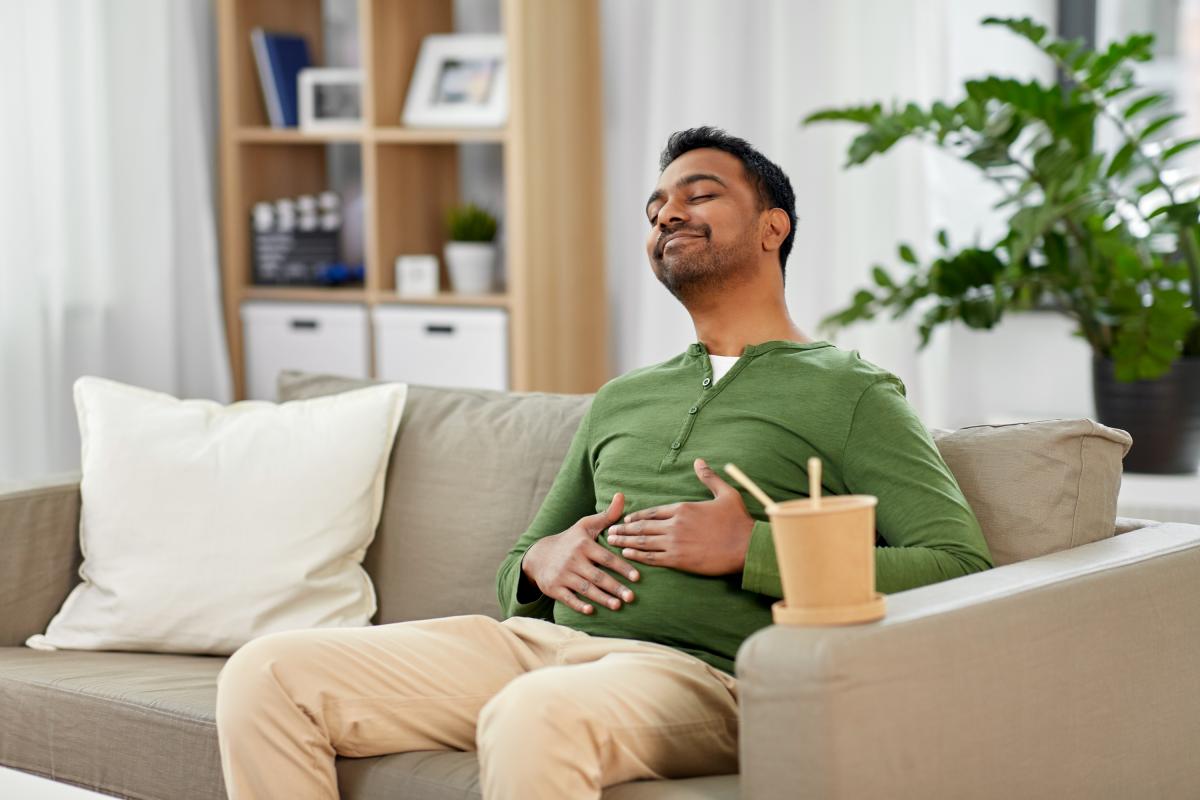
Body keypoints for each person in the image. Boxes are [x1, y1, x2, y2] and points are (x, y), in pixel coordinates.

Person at [215, 126, 994, 800]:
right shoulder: (623, 397)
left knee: (537, 714)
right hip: (544, 648)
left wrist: (750, 550)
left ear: (772, 228)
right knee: (266, 675)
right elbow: (519, 564)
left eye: (700, 194)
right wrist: (540, 565)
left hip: (704, 676)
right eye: (656, 208)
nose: (667, 214)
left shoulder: (849, 390)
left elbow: (961, 566)